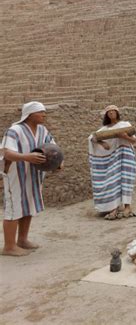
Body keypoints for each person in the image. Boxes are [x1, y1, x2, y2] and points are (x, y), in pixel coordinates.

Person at [1, 101, 61, 256]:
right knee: (14, 208)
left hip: (34, 175)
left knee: (28, 206)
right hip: (16, 175)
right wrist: (27, 157)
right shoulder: (14, 131)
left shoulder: (43, 130)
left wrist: (57, 163)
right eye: (40, 112)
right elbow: (6, 153)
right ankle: (9, 246)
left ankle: (22, 240)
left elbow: (53, 149)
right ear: (29, 114)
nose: (44, 114)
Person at [88, 105, 136, 220]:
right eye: (109, 112)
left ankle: (127, 207)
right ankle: (113, 208)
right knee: (113, 182)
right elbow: (92, 137)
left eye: (113, 111)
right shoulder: (104, 129)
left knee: (126, 180)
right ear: (106, 115)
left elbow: (134, 141)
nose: (111, 114)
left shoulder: (125, 125)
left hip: (126, 156)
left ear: (117, 113)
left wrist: (125, 137)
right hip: (113, 159)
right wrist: (102, 143)